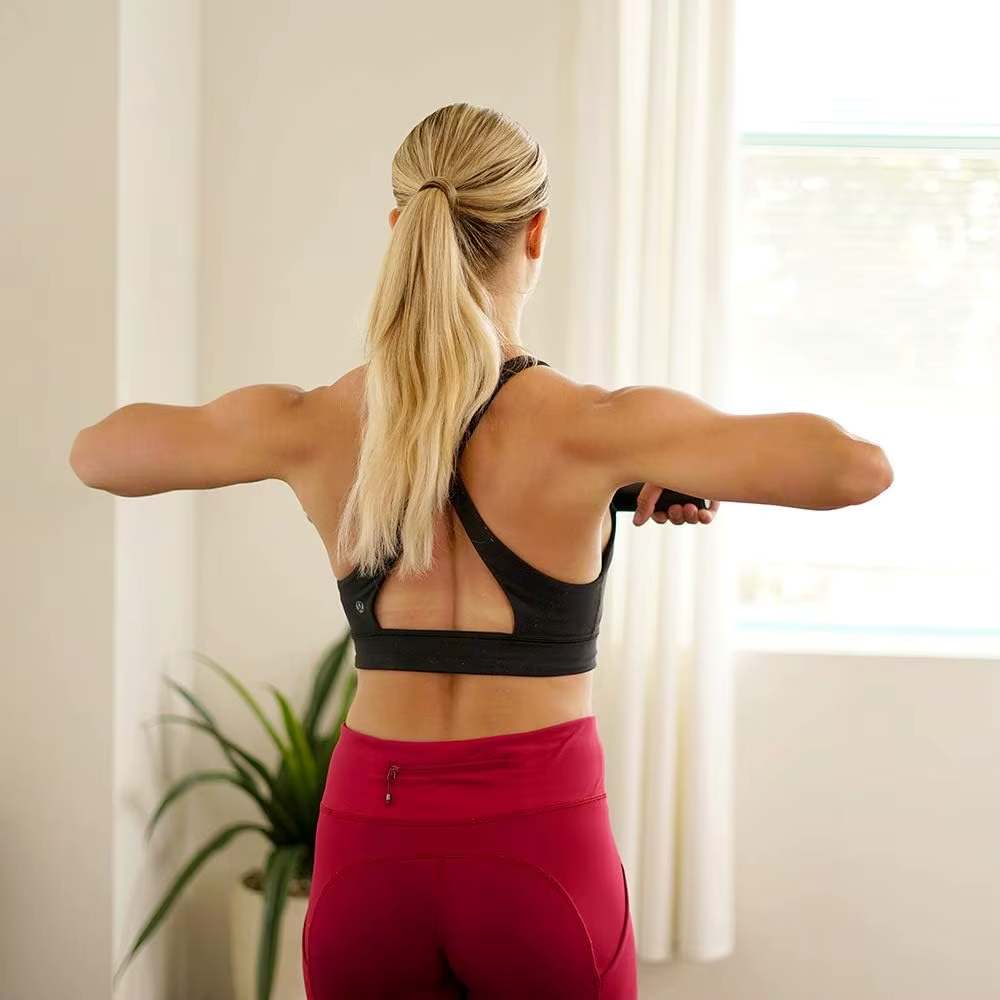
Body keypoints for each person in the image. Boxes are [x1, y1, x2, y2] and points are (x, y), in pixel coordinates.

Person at [69, 102, 892, 999]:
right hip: (539, 852)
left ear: (399, 229)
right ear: (535, 232)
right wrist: (658, 460)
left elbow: (99, 453)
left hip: (365, 854)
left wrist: (291, 424)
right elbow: (854, 469)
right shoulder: (594, 428)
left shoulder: (313, 423)